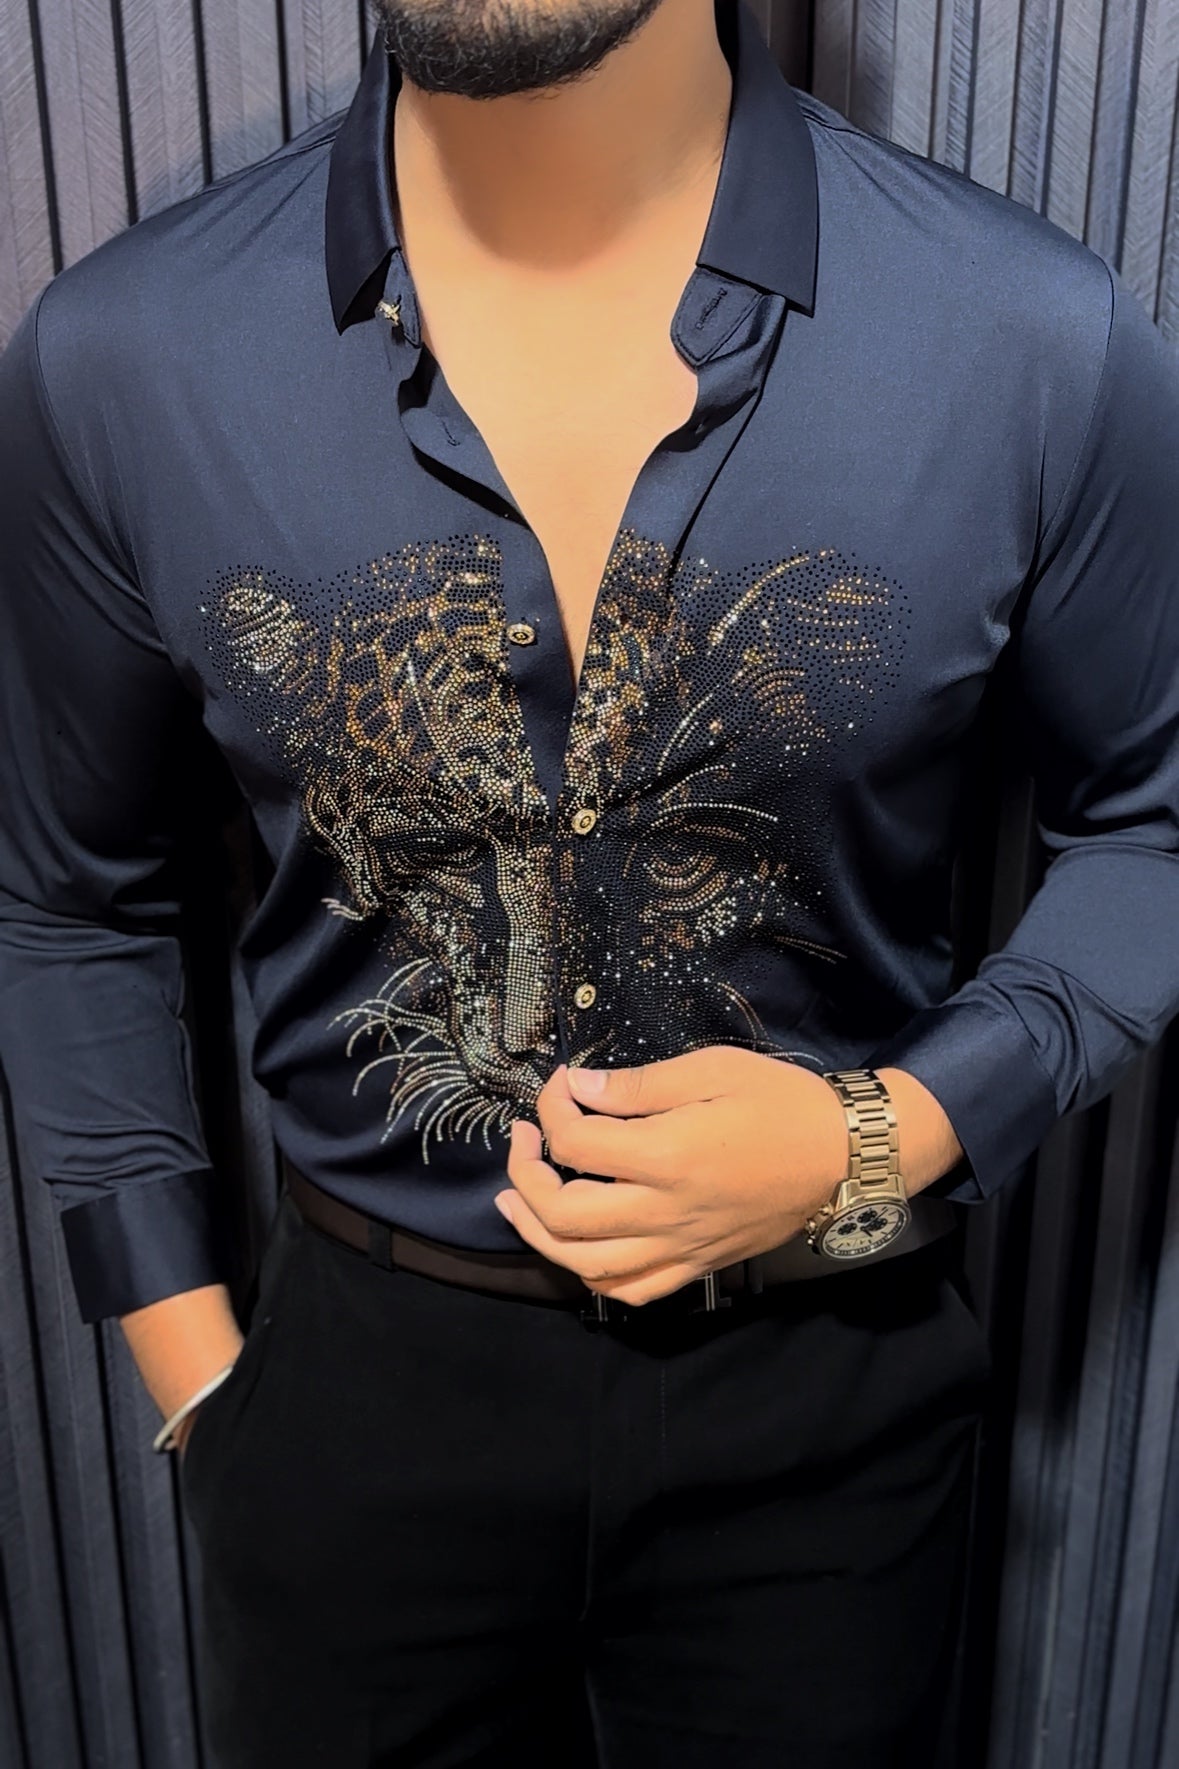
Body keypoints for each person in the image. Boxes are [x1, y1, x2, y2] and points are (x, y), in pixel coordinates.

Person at [1, 0, 1177, 1762]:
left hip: (827, 1403)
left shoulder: (1031, 342)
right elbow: (67, 896)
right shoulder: (125, 360)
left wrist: (888, 1131)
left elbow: (1155, 821)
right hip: (352, 1413)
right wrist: (202, 1381)